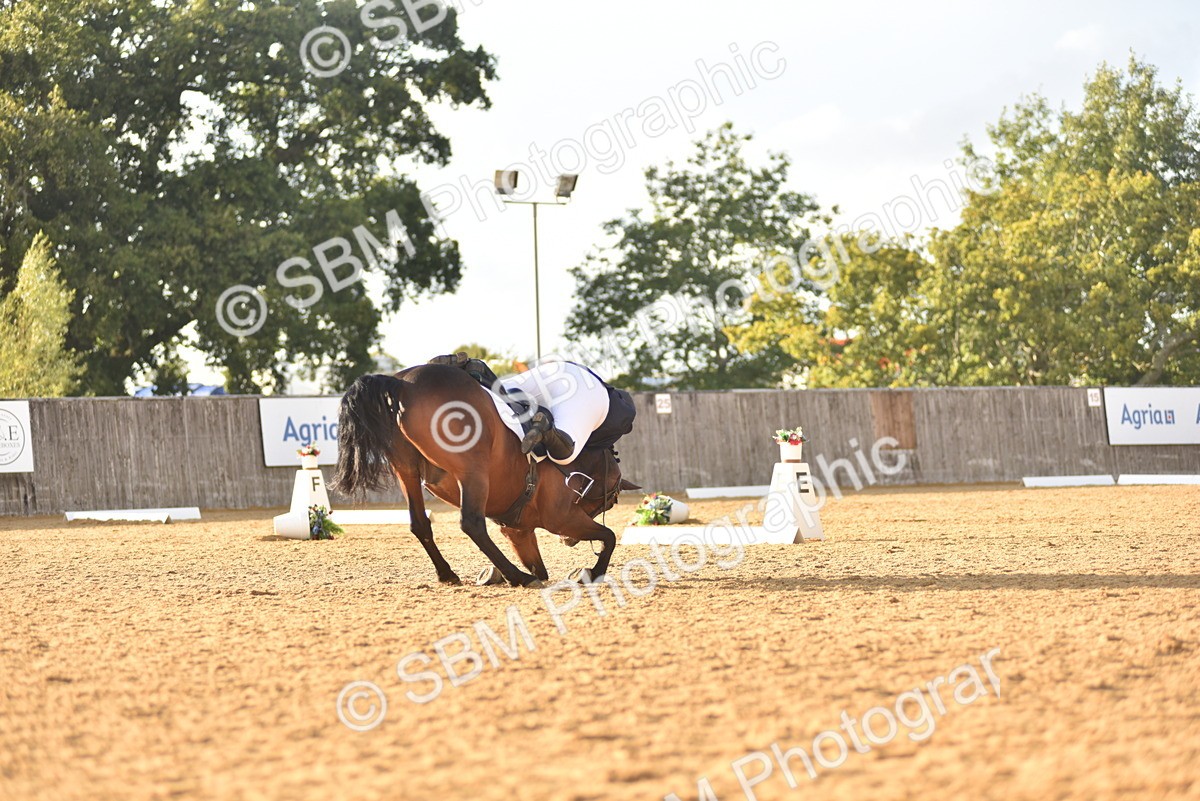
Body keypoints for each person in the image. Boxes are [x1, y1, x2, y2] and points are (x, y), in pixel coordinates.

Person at [428, 353, 636, 464]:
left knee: (501, 394)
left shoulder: (614, 403)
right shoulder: (614, 422)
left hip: (563, 369)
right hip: (588, 396)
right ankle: (546, 430)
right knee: (564, 456)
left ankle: (477, 369)